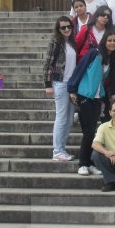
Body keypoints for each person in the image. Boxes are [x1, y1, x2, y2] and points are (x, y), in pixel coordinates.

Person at [68, 31, 115, 176]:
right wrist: (72, 89)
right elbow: (79, 69)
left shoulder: (109, 58)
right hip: (85, 95)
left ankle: (89, 163)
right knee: (89, 132)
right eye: (109, 40)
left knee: (91, 132)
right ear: (104, 41)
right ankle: (83, 164)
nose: (112, 43)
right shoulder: (94, 53)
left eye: (114, 41)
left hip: (97, 98)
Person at [44, 16, 78, 161]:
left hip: (71, 85)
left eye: (68, 26)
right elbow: (48, 63)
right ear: (58, 29)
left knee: (70, 119)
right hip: (60, 83)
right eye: (63, 27)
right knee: (61, 118)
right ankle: (57, 151)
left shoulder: (72, 42)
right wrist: (48, 85)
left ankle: (61, 149)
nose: (66, 29)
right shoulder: (56, 42)